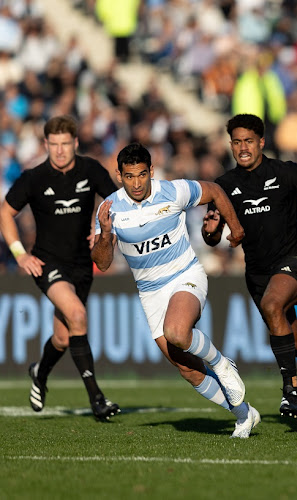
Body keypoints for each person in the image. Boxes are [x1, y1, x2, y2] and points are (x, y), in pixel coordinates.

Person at [91, 143, 260, 438]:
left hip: (185, 275)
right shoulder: (110, 209)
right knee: (189, 370)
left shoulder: (173, 191)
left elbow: (215, 190)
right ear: (119, 176)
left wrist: (236, 227)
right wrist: (105, 233)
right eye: (129, 177)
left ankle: (221, 363)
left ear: (151, 172)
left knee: (178, 333)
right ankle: (244, 414)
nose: (137, 183)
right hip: (150, 292)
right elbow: (103, 263)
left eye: (142, 175)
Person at [201, 113, 297, 418]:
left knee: (272, 304)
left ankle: (290, 390)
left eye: (249, 141)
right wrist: (211, 230)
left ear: (261, 142)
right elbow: (212, 238)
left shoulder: (286, 172)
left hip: (295, 258)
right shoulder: (224, 185)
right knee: (295, 344)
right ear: (231, 145)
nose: (243, 147)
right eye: (237, 142)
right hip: (256, 274)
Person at [0, 115, 120, 421]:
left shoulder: (90, 169)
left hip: (82, 263)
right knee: (78, 315)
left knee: (65, 337)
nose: (60, 150)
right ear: (45, 145)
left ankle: (40, 372)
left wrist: (104, 228)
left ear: (76, 143)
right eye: (54, 144)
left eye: (65, 144)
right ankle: (97, 399)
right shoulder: (34, 178)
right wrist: (19, 254)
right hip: (48, 264)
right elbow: (5, 213)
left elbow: (116, 202)